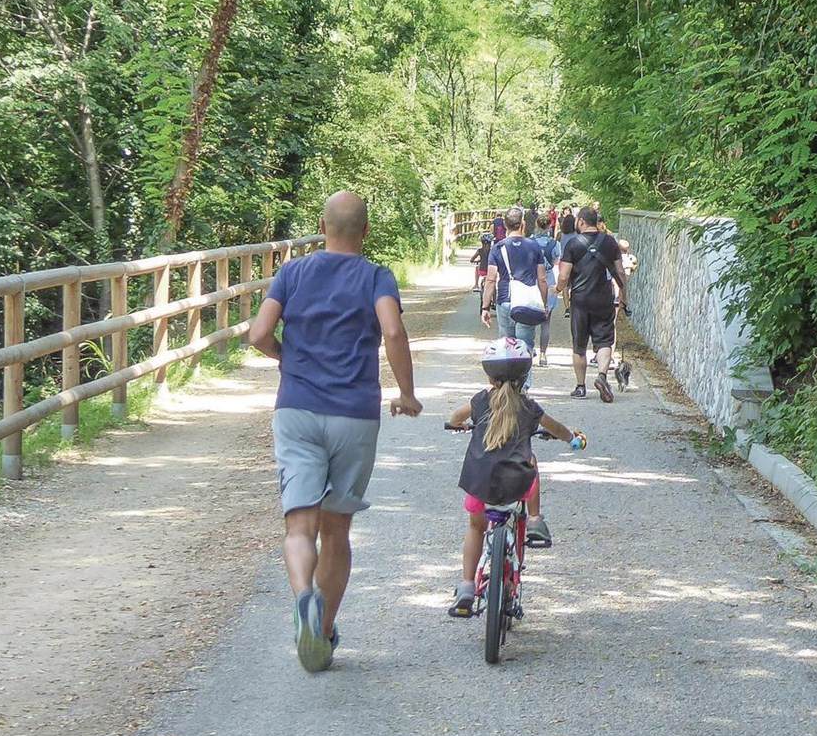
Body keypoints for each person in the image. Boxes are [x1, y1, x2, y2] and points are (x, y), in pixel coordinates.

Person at [248, 190, 422, 673]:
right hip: (354, 414)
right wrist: (407, 393)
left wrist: (285, 357)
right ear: (365, 231)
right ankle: (322, 633)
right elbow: (392, 331)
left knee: (299, 527)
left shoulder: (292, 273)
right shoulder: (377, 276)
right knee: (337, 531)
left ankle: (303, 595)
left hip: (297, 409)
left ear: (322, 227)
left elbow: (258, 334)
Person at [445, 338, 585, 614]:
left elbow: (455, 416)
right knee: (531, 461)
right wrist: (572, 439)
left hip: (479, 482)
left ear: (489, 376)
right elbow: (557, 429)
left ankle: (467, 586)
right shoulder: (529, 407)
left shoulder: (479, 401)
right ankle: (534, 519)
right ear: (524, 375)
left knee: (476, 528)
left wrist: (459, 424)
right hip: (516, 481)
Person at [556, 206, 627, 401]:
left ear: (580, 222)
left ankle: (580, 387)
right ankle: (602, 375)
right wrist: (624, 295)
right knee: (604, 341)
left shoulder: (573, 244)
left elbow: (564, 275)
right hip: (604, 298)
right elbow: (620, 271)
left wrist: (558, 289)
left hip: (580, 300)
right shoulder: (610, 242)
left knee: (579, 346)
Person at [481, 207, 549, 356]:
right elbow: (542, 279)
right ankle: (526, 372)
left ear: (505, 225)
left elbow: (490, 280)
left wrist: (485, 307)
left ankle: (508, 371)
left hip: (506, 299)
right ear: (523, 224)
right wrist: (544, 304)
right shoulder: (534, 246)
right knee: (524, 348)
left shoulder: (498, 248)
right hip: (527, 302)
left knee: (506, 348)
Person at [528, 212, 562, 366]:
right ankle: (543, 354)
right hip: (548, 279)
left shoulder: (529, 242)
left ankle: (529, 350)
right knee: (546, 321)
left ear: (536, 225)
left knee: (528, 319)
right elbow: (555, 261)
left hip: (531, 278)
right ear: (549, 226)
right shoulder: (555, 244)